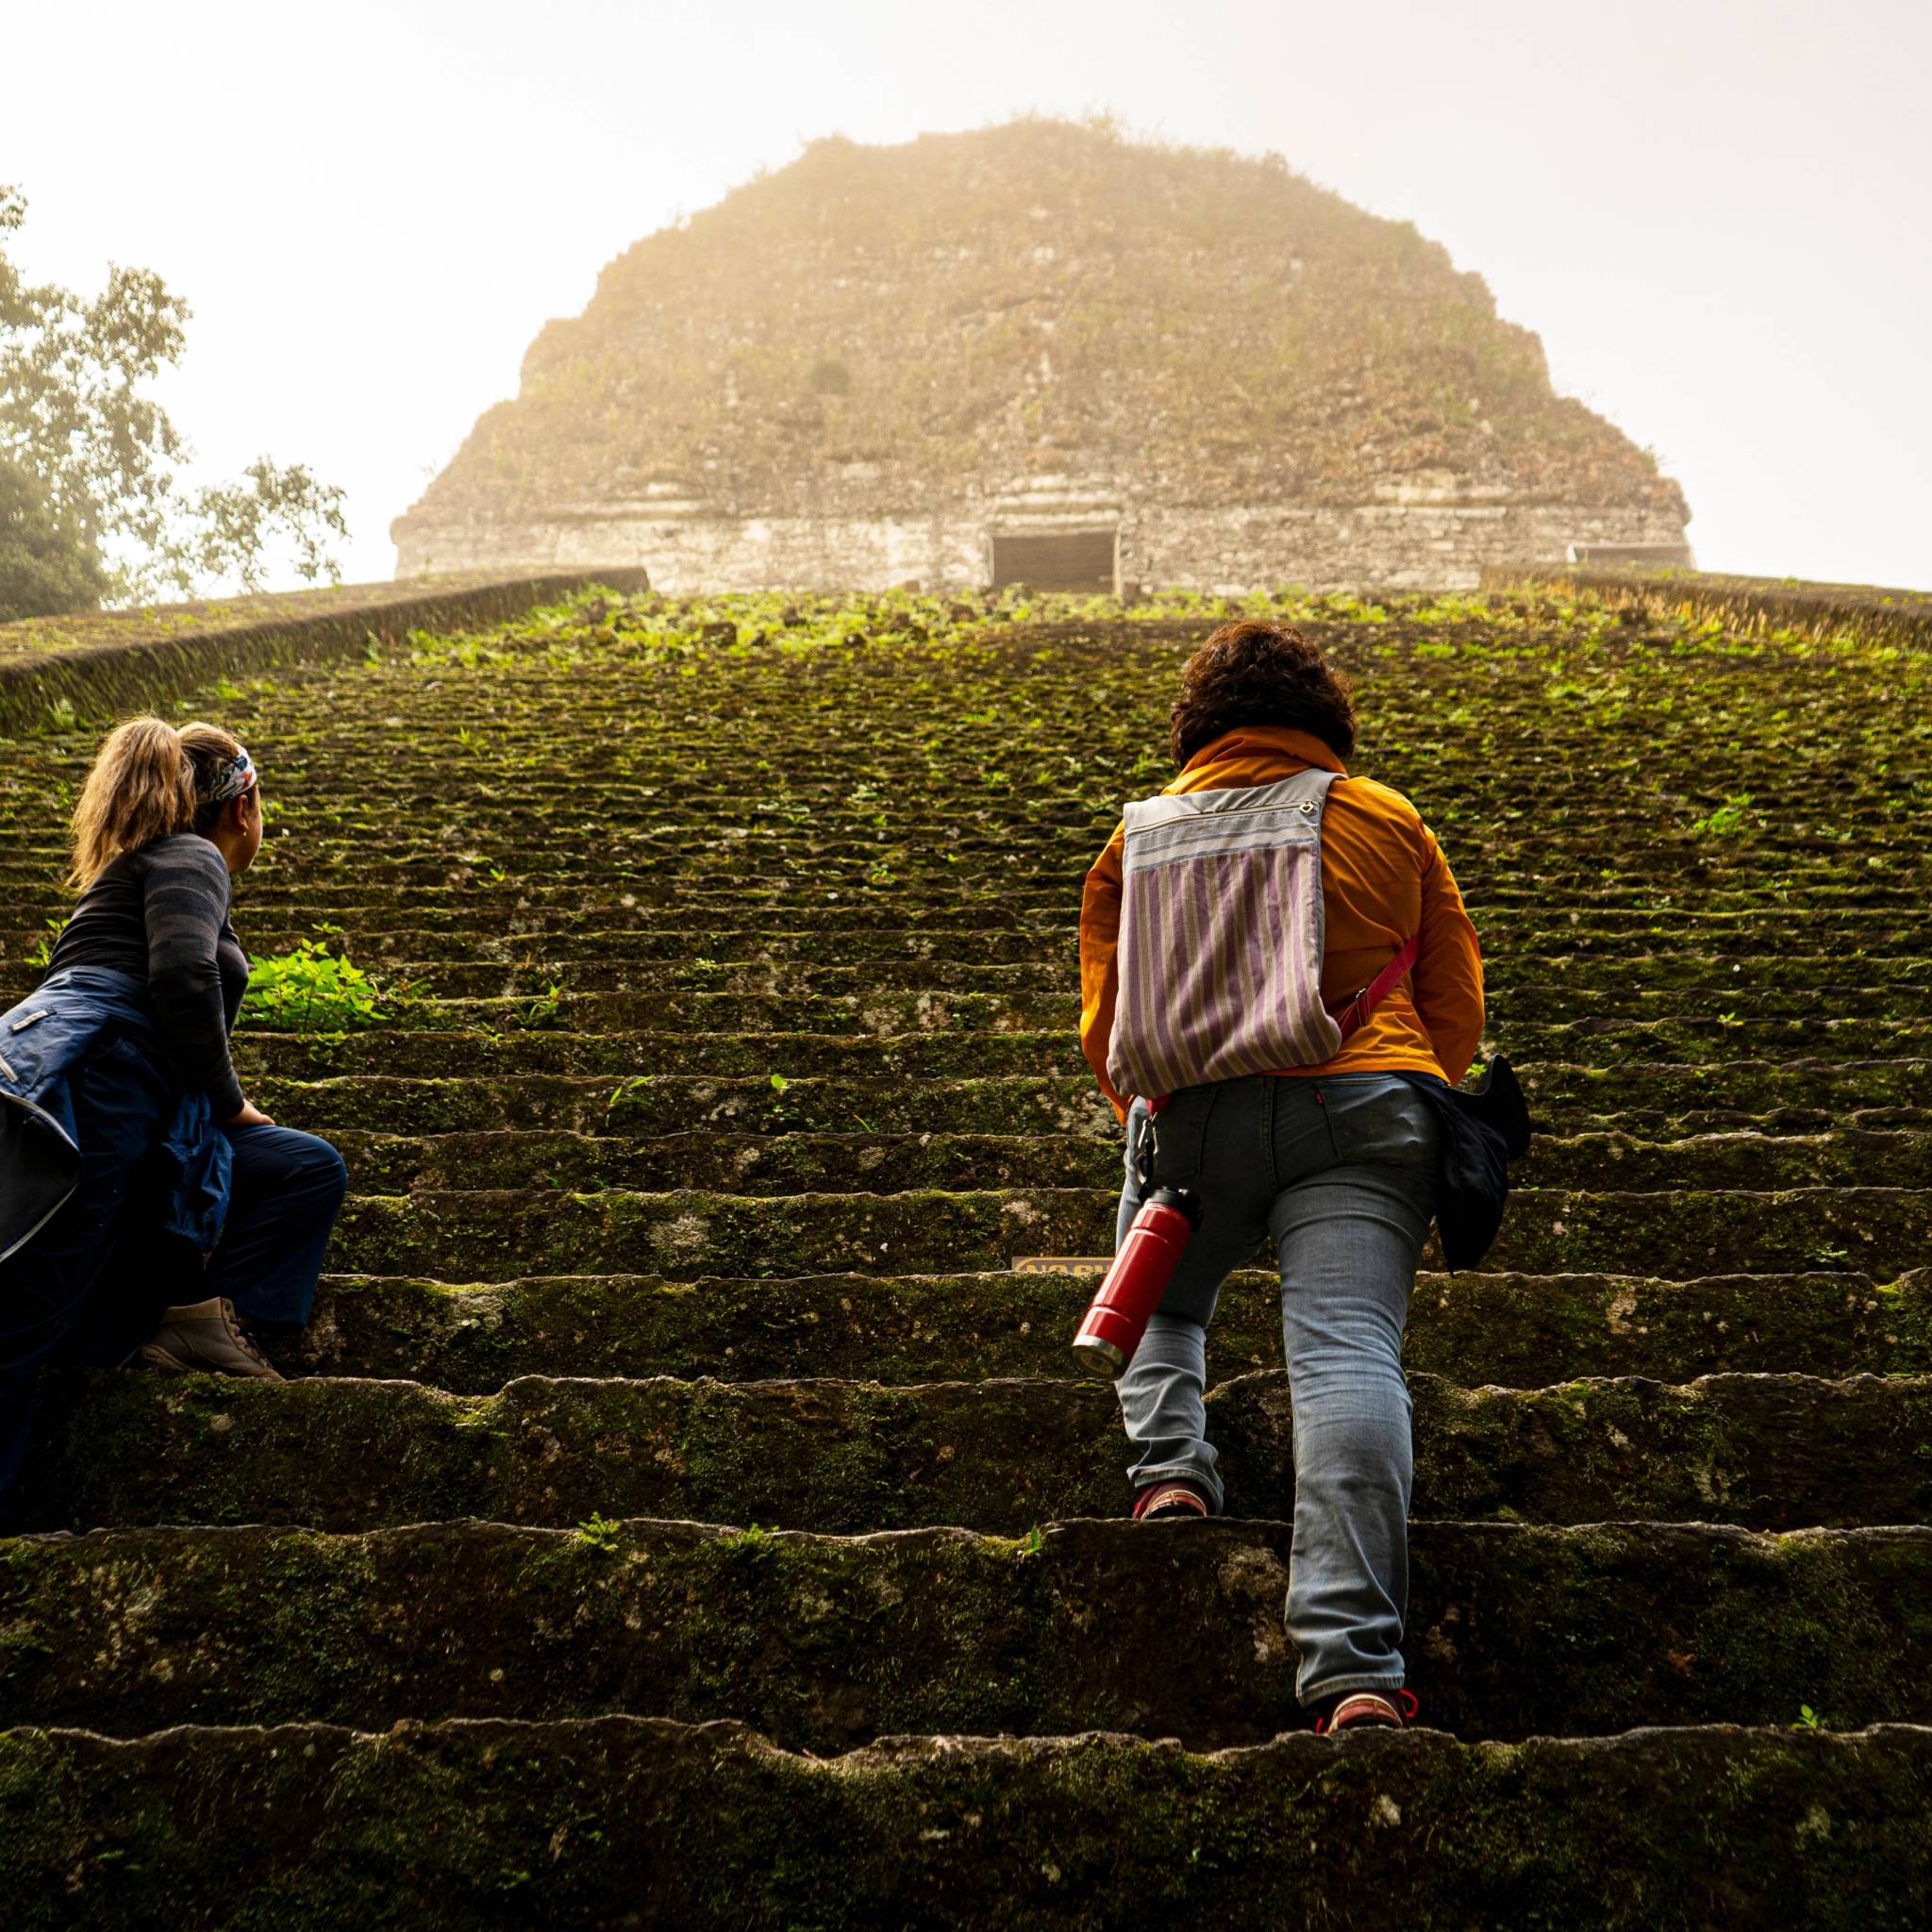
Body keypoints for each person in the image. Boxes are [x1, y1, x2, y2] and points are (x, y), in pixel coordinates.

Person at [1078, 617, 1484, 1735]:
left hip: (1193, 1115)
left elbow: (1108, 1021)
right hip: (1363, 1103)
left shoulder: (1136, 835)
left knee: (1164, 1297)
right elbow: (1452, 994)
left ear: (1197, 731)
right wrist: (1395, 1086)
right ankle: (1353, 1670)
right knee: (1347, 1352)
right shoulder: (1384, 816)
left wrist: (1154, 1119)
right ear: (1324, 723)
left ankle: (1169, 1470)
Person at [0, 716, 347, 1513]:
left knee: (303, 1168)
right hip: (103, 1081)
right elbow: (184, 980)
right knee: (33, 1301)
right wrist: (233, 1103)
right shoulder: (190, 855)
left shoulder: (137, 869)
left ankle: (194, 1321)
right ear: (243, 805)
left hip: (129, 1092)